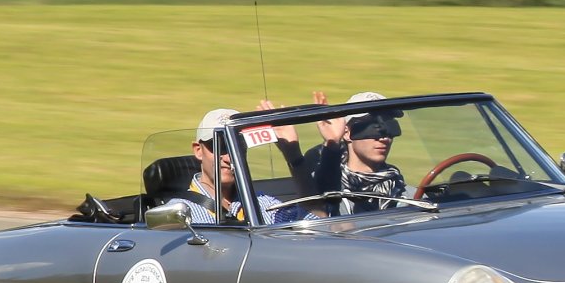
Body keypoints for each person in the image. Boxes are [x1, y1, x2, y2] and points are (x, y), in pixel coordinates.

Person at [166, 107, 312, 225]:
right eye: (219, 146)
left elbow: (311, 227)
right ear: (198, 150)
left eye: (237, 146)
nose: (229, 158)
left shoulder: (261, 204)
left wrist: (293, 154)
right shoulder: (177, 214)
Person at [307, 91, 408, 214]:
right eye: (372, 127)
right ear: (346, 133)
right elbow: (318, 202)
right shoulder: (325, 186)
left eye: (389, 126)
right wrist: (332, 143)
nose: (384, 138)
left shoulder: (404, 192)